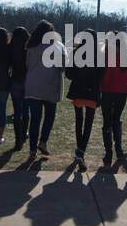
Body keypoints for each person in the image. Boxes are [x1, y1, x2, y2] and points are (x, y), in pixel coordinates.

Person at [24, 20, 65, 158]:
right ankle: (43, 142)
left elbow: (28, 64)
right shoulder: (57, 47)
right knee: (49, 117)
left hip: (33, 85)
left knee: (35, 119)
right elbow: (63, 66)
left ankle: (32, 150)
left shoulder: (31, 46)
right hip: (50, 85)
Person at [64, 29, 102, 170]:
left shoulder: (76, 53)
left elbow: (69, 73)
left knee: (79, 121)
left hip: (78, 91)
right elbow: (101, 76)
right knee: (88, 124)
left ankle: (79, 151)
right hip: (92, 93)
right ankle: (81, 151)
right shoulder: (100, 55)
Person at [99, 34, 127, 167]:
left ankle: (108, 152)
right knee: (116, 119)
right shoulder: (126, 56)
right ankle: (118, 149)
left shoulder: (107, 55)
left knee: (107, 121)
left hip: (108, 91)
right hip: (122, 92)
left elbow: (106, 76)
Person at [8, 26, 30, 151]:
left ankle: (18, 140)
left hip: (15, 80)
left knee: (17, 111)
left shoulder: (11, 49)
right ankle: (23, 134)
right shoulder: (28, 49)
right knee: (26, 110)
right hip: (27, 81)